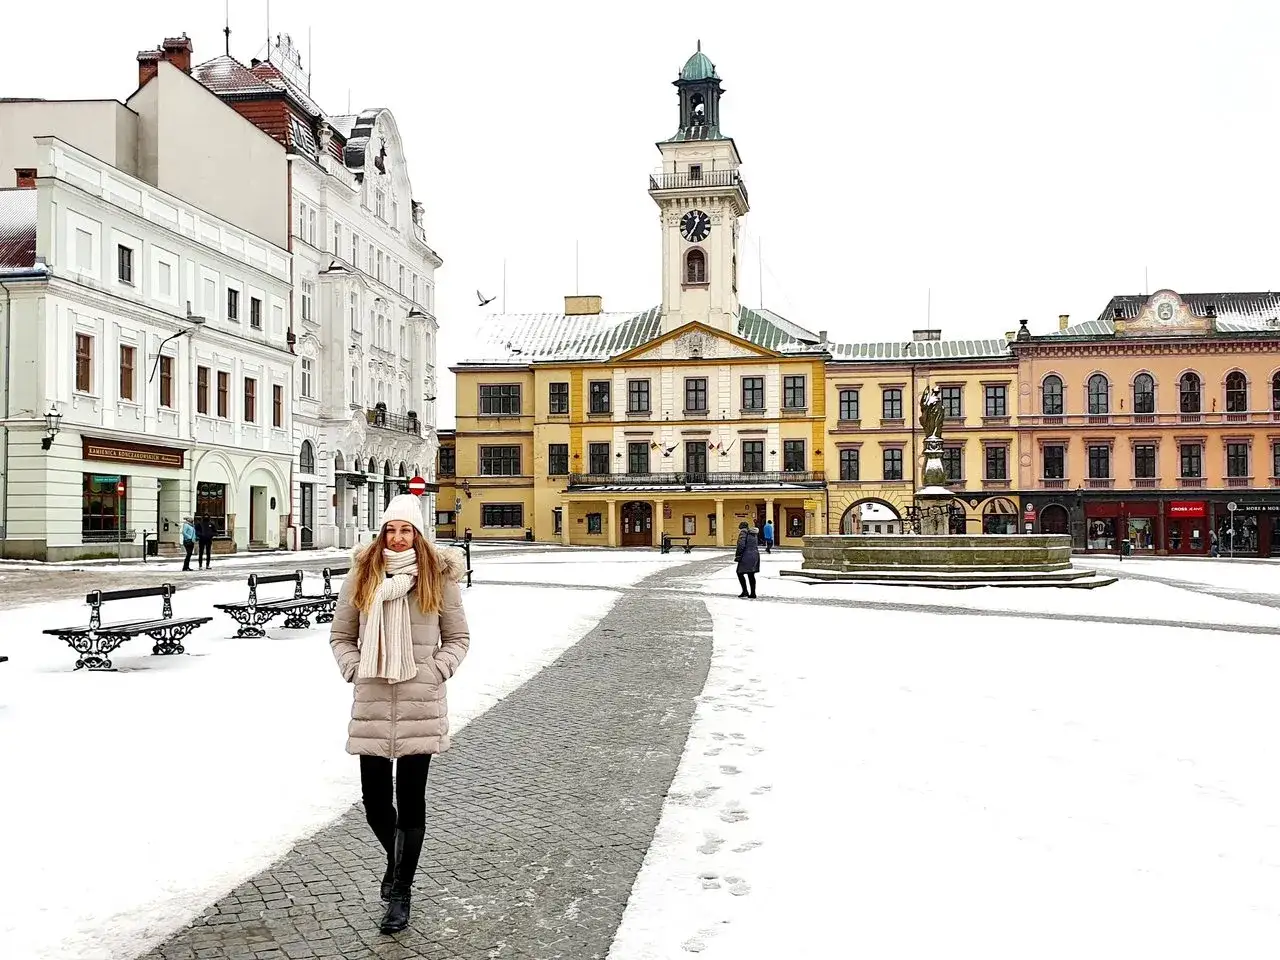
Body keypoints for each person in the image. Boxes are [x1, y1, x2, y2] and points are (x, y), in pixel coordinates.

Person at [330, 494, 470, 934]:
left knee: (410, 803)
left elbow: (459, 637)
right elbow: (341, 635)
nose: (397, 536)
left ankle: (401, 893)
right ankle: (395, 863)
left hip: (419, 704)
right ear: (381, 533)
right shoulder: (363, 576)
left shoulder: (437, 578)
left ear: (418, 534)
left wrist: (434, 671)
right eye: (390, 529)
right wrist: (355, 668)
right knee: (375, 804)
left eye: (405, 529)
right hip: (372, 701)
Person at [735, 520, 760, 599]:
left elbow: (741, 545)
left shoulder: (743, 533)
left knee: (739, 572)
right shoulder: (753, 534)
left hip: (746, 555)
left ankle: (745, 591)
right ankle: (753, 593)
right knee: (751, 574)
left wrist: (738, 555)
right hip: (755, 555)